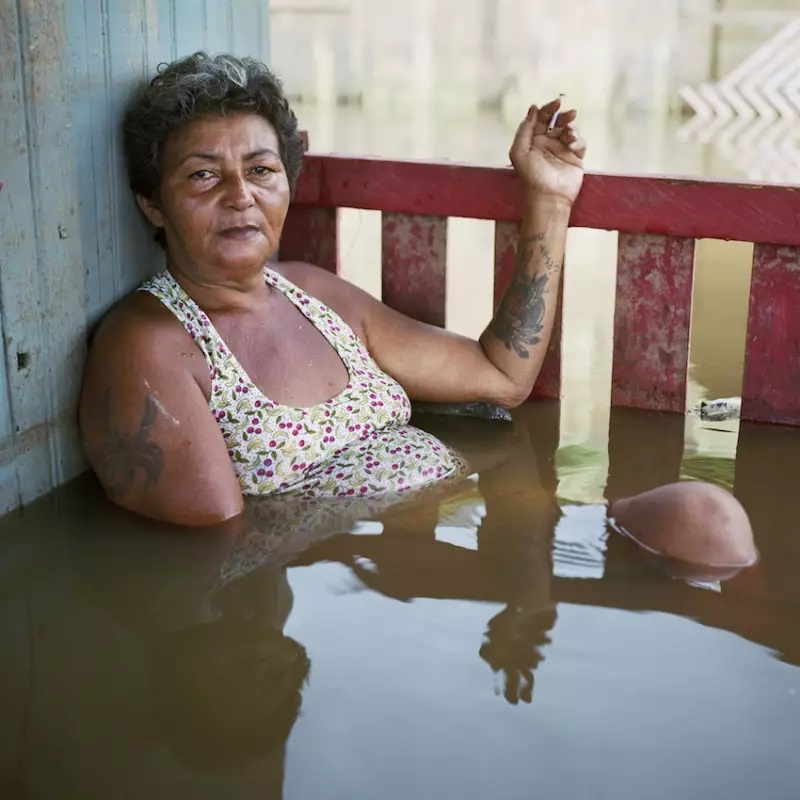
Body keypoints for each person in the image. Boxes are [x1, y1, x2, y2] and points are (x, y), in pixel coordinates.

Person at [79, 52, 584, 528]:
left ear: (286, 184)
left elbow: (501, 378)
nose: (240, 196)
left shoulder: (312, 292)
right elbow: (217, 545)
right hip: (352, 593)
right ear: (153, 205)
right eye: (203, 175)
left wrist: (550, 198)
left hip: (415, 557)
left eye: (260, 170)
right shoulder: (147, 345)